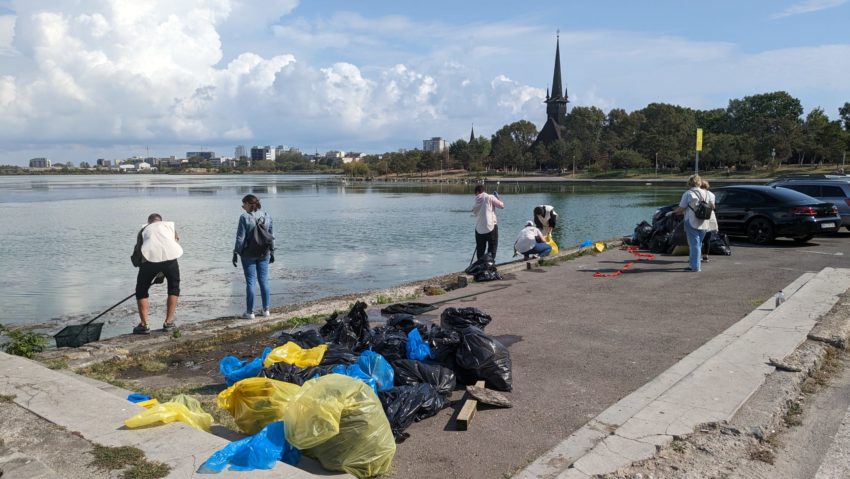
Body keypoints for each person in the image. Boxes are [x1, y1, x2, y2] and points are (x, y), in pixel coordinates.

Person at [133, 213, 183, 334]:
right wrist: (162, 273)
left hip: (148, 261)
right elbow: (172, 245)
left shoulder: (144, 230)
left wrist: (146, 270)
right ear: (161, 221)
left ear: (149, 222)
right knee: (174, 288)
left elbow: (138, 254)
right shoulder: (169, 228)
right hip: (171, 259)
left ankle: (144, 325)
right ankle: (169, 323)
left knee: (141, 290)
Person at [232, 194, 274, 319]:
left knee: (250, 282)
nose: (242, 206)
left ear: (250, 204)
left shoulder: (244, 217)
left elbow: (240, 238)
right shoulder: (267, 216)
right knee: (264, 280)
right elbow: (271, 236)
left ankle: (250, 312)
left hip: (248, 254)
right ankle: (266, 310)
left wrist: (236, 252)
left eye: (243, 203)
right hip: (264, 252)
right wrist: (272, 252)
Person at [670, 175, 714, 272]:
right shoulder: (707, 193)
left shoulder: (688, 193)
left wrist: (673, 212)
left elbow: (681, 208)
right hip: (704, 221)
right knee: (698, 244)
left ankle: (695, 267)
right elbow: (712, 205)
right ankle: (694, 264)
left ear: (689, 183)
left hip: (691, 220)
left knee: (694, 244)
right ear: (699, 182)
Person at [472, 184, 505, 260]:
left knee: (480, 250)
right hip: (491, 227)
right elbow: (502, 206)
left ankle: (480, 266)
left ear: (477, 192)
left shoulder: (476, 200)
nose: (475, 195)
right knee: (492, 248)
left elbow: (474, 212)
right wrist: (498, 198)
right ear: (483, 191)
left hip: (479, 229)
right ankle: (489, 265)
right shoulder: (490, 197)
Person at [700, 180, 718, 263]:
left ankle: (697, 256)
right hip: (710, 216)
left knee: (698, 238)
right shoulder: (712, 194)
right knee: (707, 238)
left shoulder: (699, 193)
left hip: (701, 217)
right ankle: (705, 257)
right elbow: (713, 206)